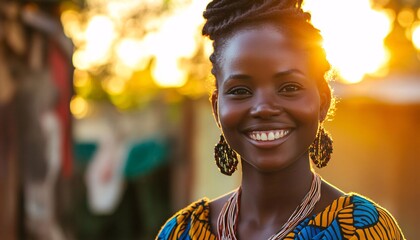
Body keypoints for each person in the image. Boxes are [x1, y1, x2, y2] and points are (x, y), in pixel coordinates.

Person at [156, 0, 405, 239]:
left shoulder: (363, 229)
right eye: (240, 90)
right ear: (216, 108)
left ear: (323, 101)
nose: (264, 108)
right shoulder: (181, 233)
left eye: (289, 87)